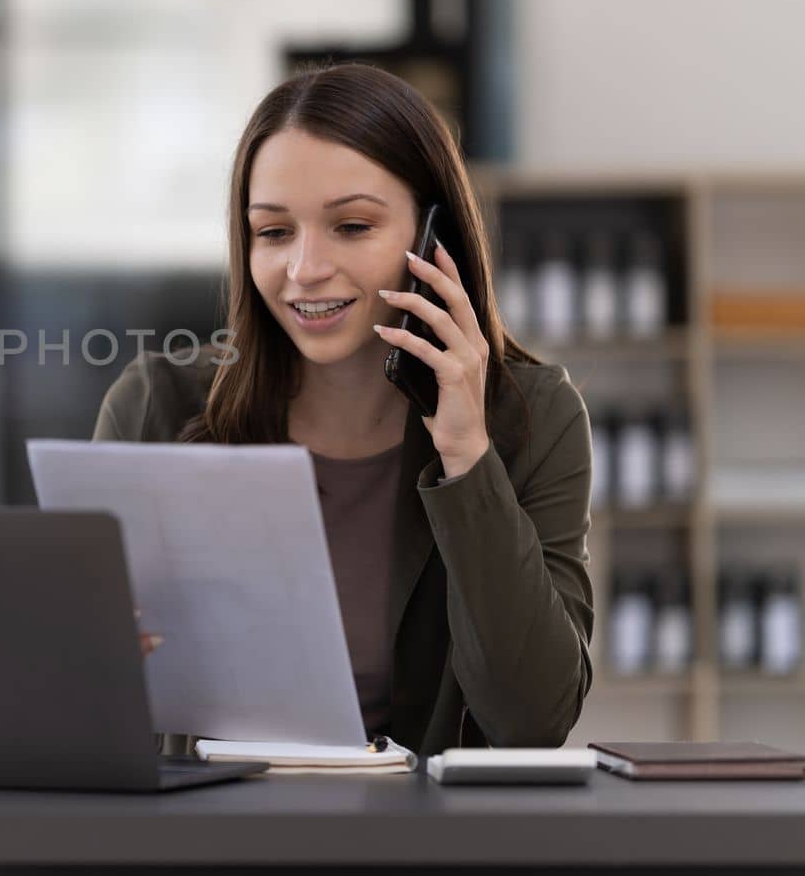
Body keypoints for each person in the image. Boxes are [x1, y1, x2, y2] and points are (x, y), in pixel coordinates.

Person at [95, 64, 593, 758]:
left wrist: (467, 456)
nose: (304, 268)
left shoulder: (533, 418)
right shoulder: (157, 404)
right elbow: (92, 695)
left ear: (431, 235)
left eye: (351, 226)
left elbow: (532, 719)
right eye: (273, 232)